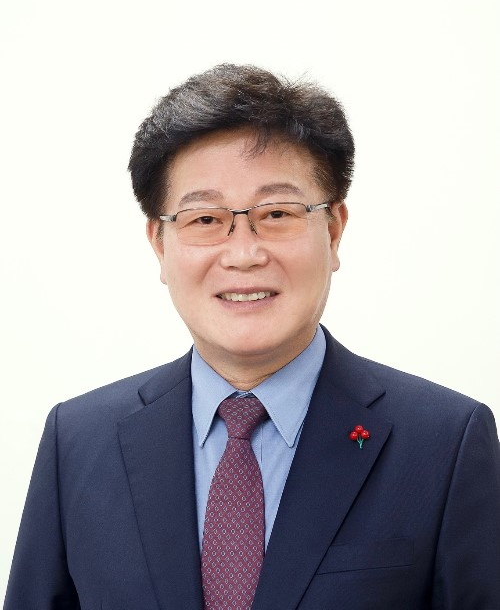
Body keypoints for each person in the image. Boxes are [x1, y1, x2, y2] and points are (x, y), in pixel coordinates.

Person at [4, 64, 500, 610]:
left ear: (334, 231)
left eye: (277, 213)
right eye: (205, 219)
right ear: (159, 244)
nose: (243, 254)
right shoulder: (78, 442)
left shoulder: (445, 443)